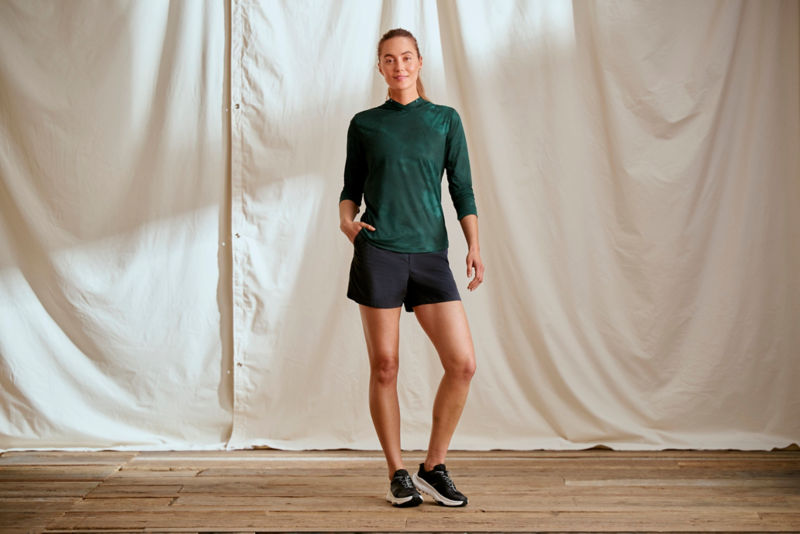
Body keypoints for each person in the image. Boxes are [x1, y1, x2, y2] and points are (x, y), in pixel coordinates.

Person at [339, 28, 484, 508]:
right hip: (379, 252)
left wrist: (473, 245)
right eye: (388, 59)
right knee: (385, 366)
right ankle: (397, 472)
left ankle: (433, 466)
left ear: (419, 63)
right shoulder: (365, 124)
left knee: (462, 364)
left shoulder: (444, 120)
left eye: (406, 58)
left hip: (429, 256)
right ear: (379, 67)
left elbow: (461, 188)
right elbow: (350, 187)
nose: (398, 66)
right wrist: (346, 221)